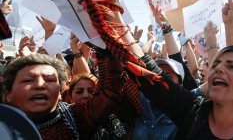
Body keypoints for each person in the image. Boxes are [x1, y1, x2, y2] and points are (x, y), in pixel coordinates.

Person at [125, 0, 233, 139]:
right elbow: (145, 67)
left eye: (231, 66)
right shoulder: (192, 112)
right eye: (216, 64)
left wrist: (230, 25)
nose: (218, 69)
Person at [1, 52, 139, 139]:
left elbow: (109, 92)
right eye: (28, 80)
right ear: (8, 94)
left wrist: (104, 50)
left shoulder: (76, 116)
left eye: (50, 80)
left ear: (61, 93)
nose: (40, 85)